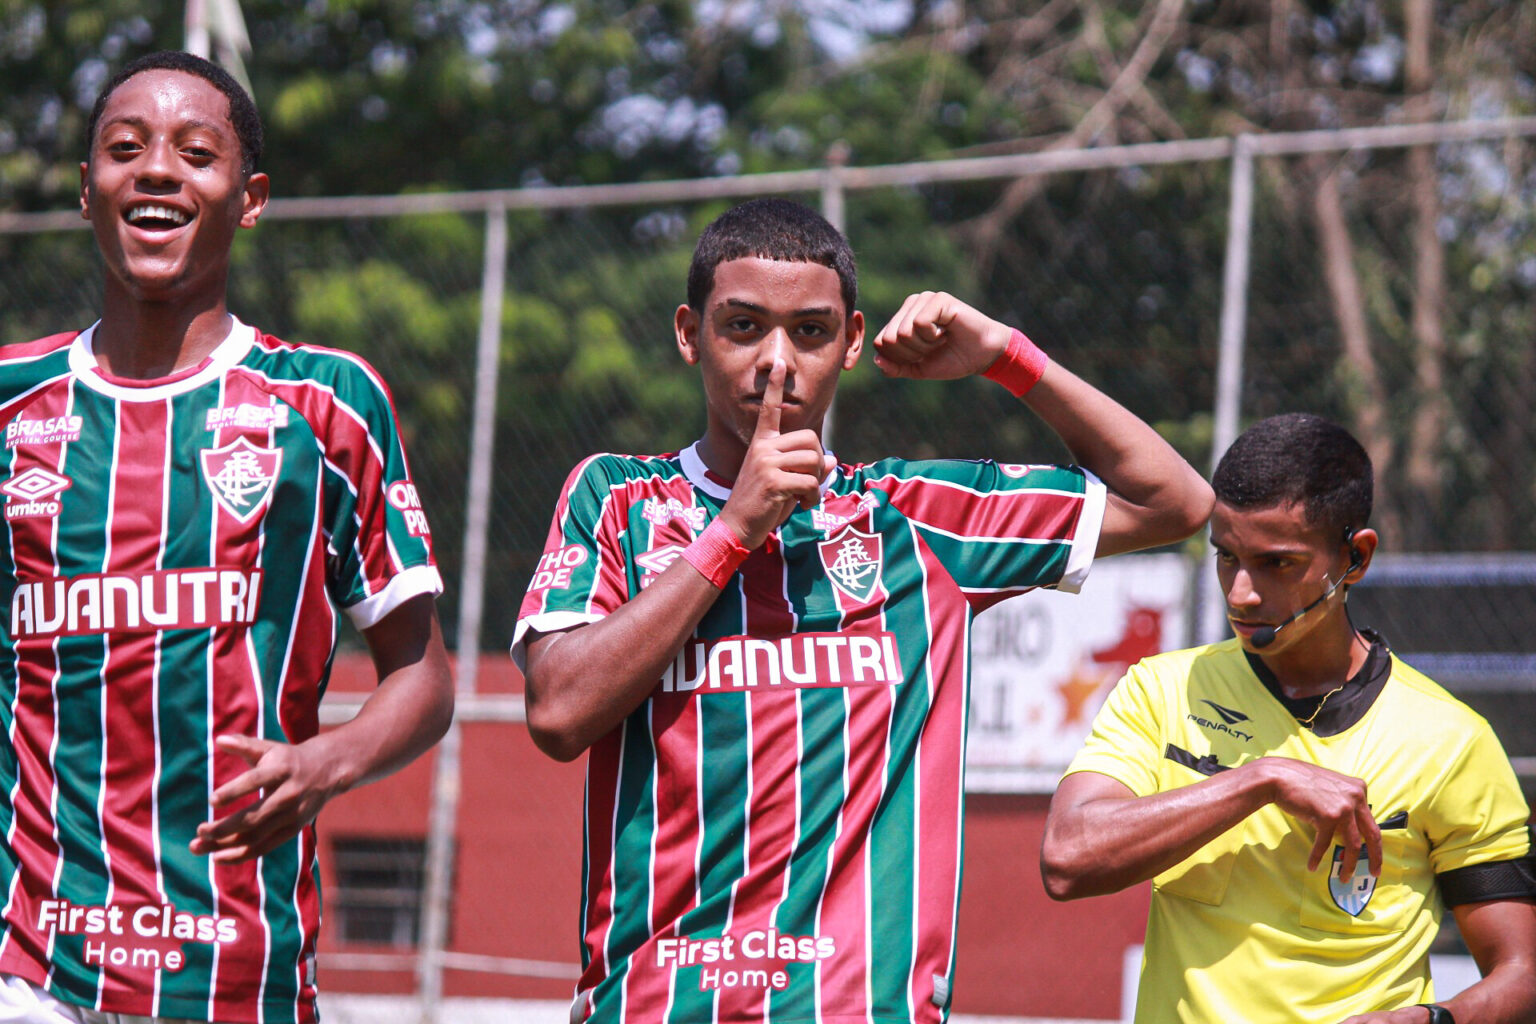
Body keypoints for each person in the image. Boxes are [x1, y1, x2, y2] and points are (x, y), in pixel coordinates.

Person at [513, 197, 1213, 1022]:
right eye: (743, 326)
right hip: (656, 1004)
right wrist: (736, 529)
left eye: (809, 332)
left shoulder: (916, 518)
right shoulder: (620, 498)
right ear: (687, 333)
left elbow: (1177, 501)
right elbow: (558, 711)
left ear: (851, 341)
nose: (777, 361)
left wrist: (1006, 357)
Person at [0, 51, 453, 1024]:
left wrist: (324, 764)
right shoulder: (10, 404)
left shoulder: (326, 404)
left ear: (249, 198)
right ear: (88, 192)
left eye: (194, 153)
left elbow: (422, 678)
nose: (157, 170)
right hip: (29, 965)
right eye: (126, 150)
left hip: (240, 971)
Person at [1041, 413, 1536, 1024]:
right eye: (1227, 558)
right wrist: (1260, 780)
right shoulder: (1163, 688)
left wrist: (1437, 1020)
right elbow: (1067, 858)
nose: (1241, 593)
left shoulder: (1452, 741)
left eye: (1278, 564)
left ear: (1355, 558)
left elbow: (1522, 975)